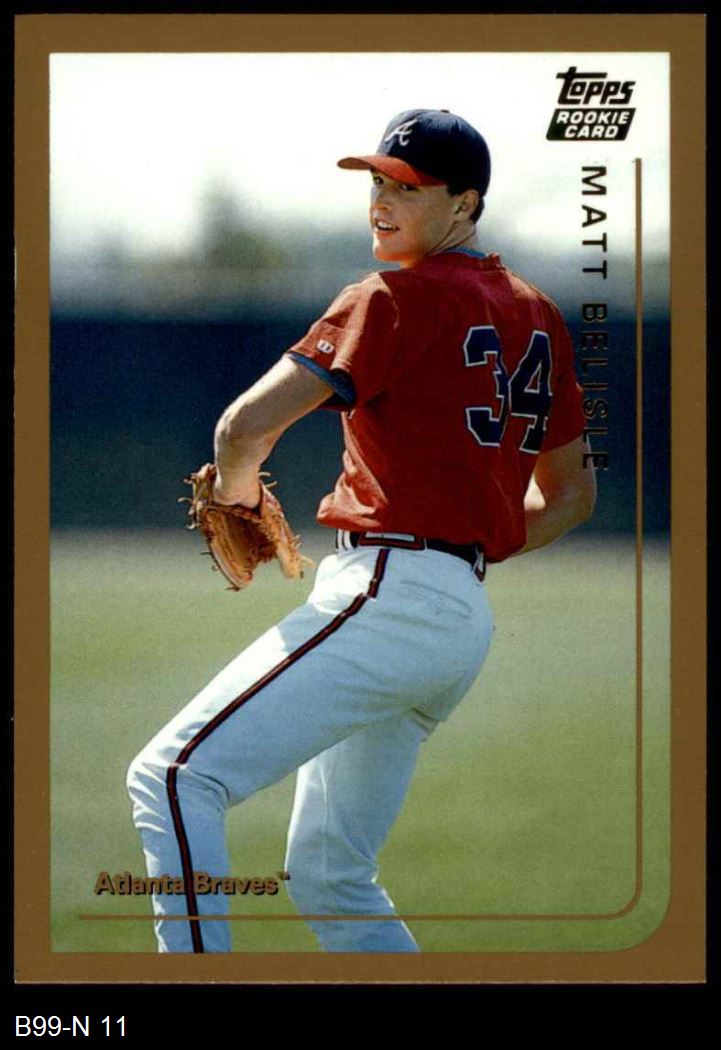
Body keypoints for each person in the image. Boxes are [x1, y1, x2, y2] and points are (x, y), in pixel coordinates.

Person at [126, 108, 596, 954]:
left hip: (389, 594)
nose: (381, 201)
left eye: (407, 188)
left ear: (465, 202)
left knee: (172, 778)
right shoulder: (537, 312)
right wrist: (467, 550)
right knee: (332, 879)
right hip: (456, 618)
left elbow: (242, 428)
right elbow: (571, 496)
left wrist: (236, 497)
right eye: (376, 182)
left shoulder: (389, 297)